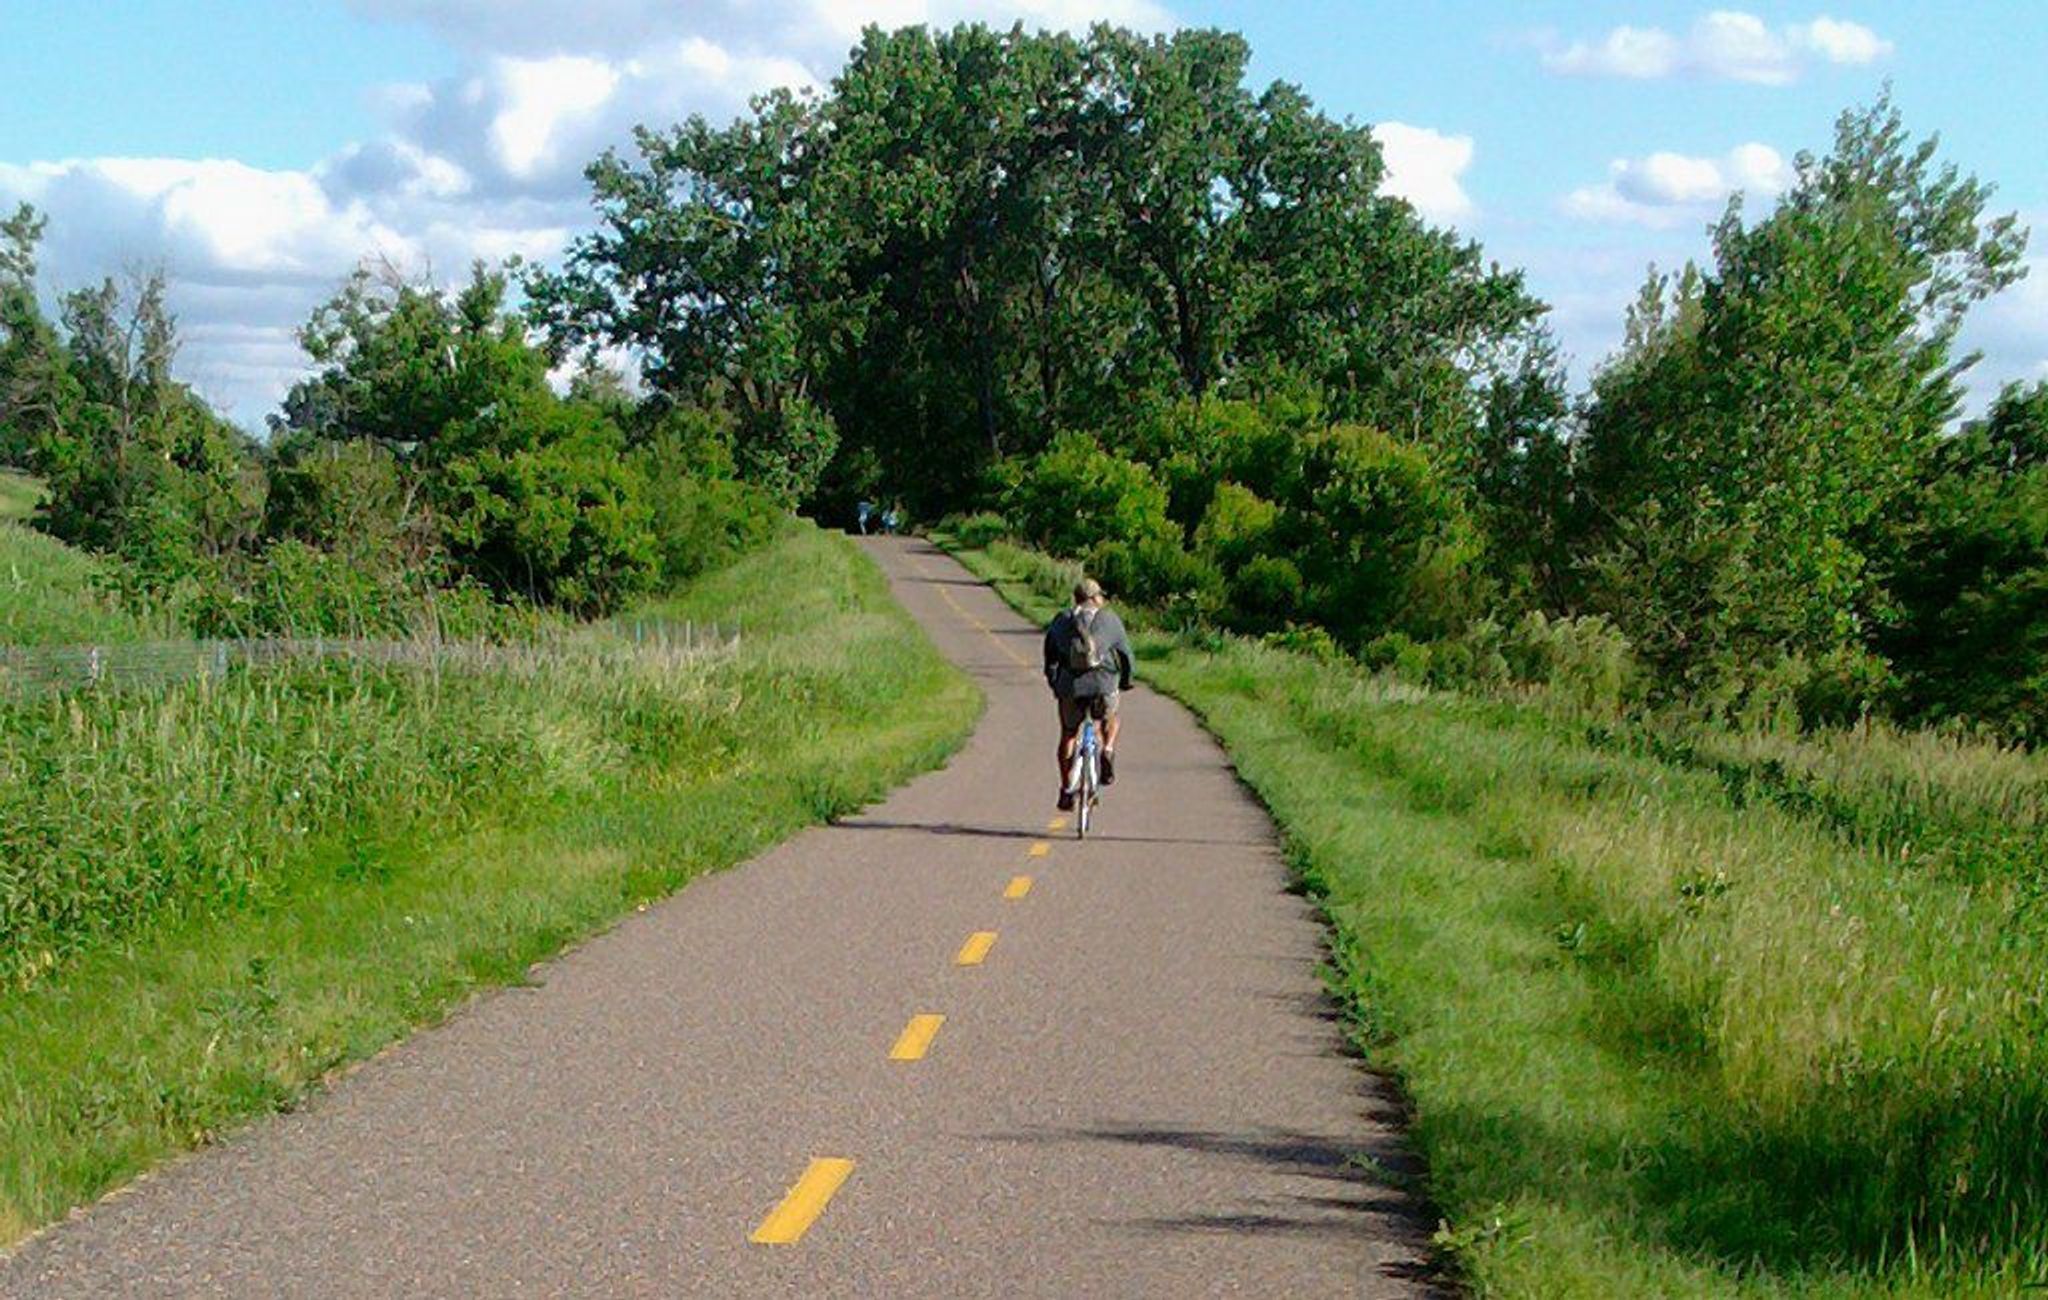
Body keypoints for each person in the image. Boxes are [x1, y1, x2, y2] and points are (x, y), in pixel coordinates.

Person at [1043, 577, 1133, 811]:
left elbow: (1050, 654)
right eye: (1100, 596)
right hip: (1103, 684)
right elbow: (1126, 655)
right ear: (1094, 598)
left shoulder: (1062, 620)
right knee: (1109, 718)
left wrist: (1054, 681)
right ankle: (1108, 749)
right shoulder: (1110, 620)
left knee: (1069, 734)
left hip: (1070, 686)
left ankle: (1066, 790)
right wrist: (1125, 681)